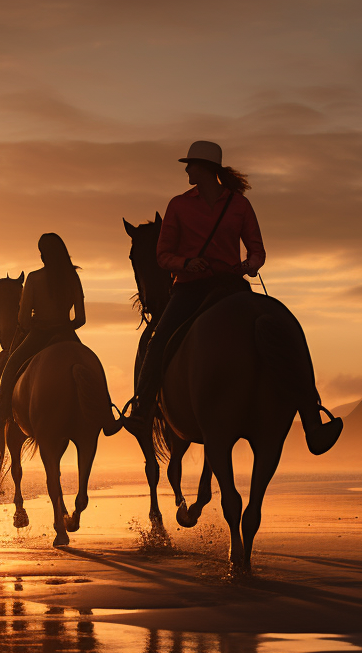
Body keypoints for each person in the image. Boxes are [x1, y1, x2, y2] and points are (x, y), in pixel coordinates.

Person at [131, 140, 342, 454]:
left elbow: (257, 249)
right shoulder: (179, 205)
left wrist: (249, 265)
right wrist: (187, 263)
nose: (187, 169)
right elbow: (163, 255)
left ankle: (312, 421)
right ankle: (143, 410)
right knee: (159, 337)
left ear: (205, 169)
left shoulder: (239, 205)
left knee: (284, 331)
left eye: (190, 164)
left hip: (228, 285)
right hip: (191, 285)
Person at [0, 232, 86, 426]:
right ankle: (107, 413)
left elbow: (23, 321)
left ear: (44, 254)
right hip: (67, 334)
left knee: (11, 364)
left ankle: (1, 411)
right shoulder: (72, 277)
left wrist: (34, 323)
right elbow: (81, 319)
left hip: (39, 335)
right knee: (92, 365)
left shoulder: (34, 279)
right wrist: (65, 327)